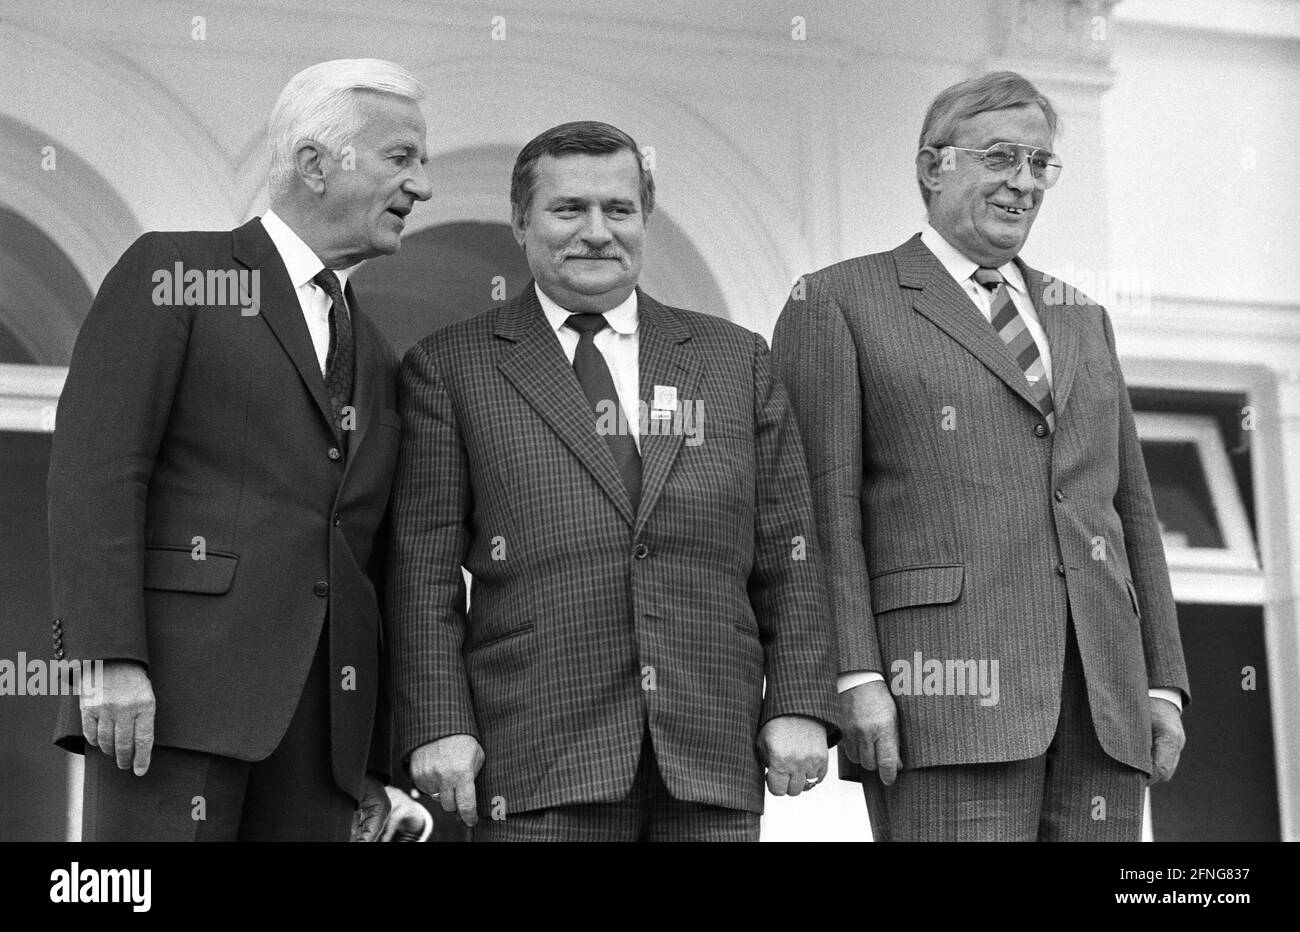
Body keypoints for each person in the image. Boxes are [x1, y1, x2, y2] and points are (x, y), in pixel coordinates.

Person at [389, 120, 838, 842]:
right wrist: (438, 723)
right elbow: (421, 573)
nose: (597, 231)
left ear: (643, 219)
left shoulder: (735, 361)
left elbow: (791, 550)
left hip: (710, 756)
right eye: (569, 209)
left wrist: (798, 702)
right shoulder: (451, 368)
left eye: (619, 209)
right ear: (521, 222)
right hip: (535, 759)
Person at [771, 71, 1190, 841]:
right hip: (942, 697)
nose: (1023, 182)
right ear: (935, 167)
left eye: (1039, 164)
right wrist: (855, 677)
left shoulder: (1082, 316)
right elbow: (818, 513)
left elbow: (1130, 507)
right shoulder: (837, 301)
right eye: (1000, 158)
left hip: (1104, 704)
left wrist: (1163, 678)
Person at [47, 58, 432, 841]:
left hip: (324, 742)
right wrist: (108, 656)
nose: (423, 186)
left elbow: (376, 557)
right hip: (173, 708)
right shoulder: (177, 273)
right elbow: (99, 471)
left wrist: (380, 761)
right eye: (402, 158)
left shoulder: (383, 356)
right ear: (315, 165)